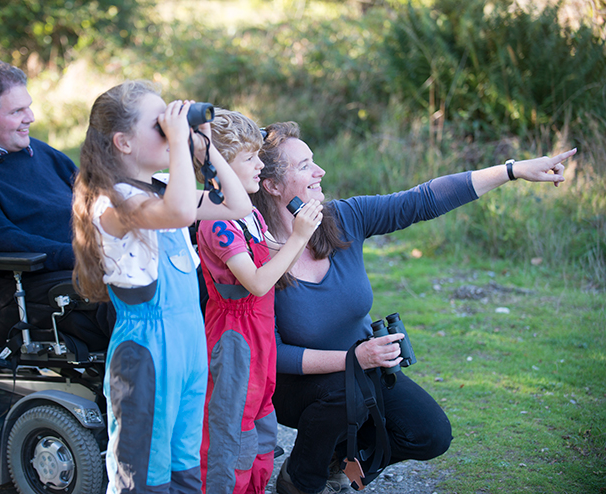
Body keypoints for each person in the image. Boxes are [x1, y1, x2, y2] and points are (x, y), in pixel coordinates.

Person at [250, 121, 577, 494]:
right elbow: (272, 355)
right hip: (299, 386)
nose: (320, 171)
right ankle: (300, 480)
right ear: (272, 185)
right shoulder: (256, 252)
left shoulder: (342, 218)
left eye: (315, 161)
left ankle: (336, 458)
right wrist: (354, 359)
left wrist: (512, 170)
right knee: (344, 395)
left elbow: (422, 199)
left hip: (362, 369)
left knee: (431, 434)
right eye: (304, 165)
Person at [71, 82, 252, 493]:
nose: (170, 130)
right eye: (158, 125)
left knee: (184, 467)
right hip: (146, 352)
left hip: (188, 344)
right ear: (123, 142)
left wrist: (207, 149)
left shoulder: (161, 188)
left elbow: (238, 205)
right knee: (143, 470)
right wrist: (180, 144)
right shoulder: (111, 203)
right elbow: (181, 211)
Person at [0, 58, 112, 351]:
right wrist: (90, 257)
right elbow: (6, 241)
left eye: (28, 106)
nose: (31, 117)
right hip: (31, 285)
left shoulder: (37, 151)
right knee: (137, 292)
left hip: (86, 261)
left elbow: (94, 198)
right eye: (17, 111)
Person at [196, 110, 322, 494]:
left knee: (262, 420)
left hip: (260, 334)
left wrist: (301, 242)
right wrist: (299, 238)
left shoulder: (248, 212)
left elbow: (267, 249)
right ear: (217, 169)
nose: (259, 165)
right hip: (234, 337)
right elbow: (256, 282)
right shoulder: (215, 222)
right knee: (232, 426)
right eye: (249, 158)